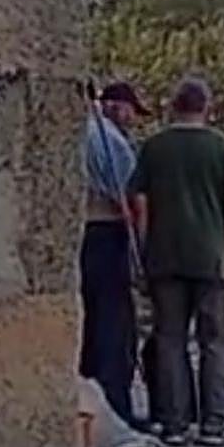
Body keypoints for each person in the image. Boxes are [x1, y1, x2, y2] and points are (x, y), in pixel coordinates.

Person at [130, 79, 224, 447]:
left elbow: (139, 202)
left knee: (170, 340)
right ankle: (214, 424)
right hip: (212, 258)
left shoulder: (154, 148)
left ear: (173, 106)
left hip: (165, 256)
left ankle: (174, 423)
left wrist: (143, 248)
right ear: (207, 107)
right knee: (214, 342)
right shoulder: (223, 148)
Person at [78, 82, 147, 426]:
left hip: (81, 235)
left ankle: (87, 406)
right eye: (133, 111)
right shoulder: (110, 141)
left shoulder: (77, 132)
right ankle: (116, 407)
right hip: (107, 231)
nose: (133, 120)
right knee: (114, 327)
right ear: (118, 106)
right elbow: (129, 197)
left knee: (88, 324)